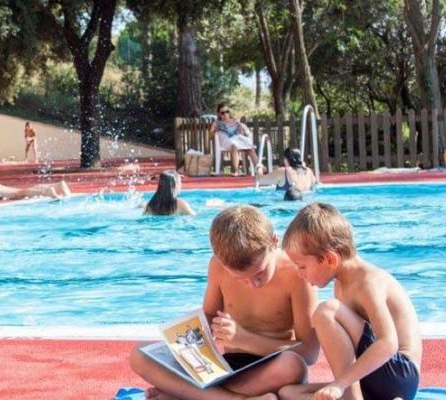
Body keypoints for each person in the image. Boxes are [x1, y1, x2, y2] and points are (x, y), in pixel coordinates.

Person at [129, 205, 319, 400]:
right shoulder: (217, 266)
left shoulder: (297, 274)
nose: (253, 284)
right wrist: (189, 336)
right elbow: (209, 316)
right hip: (226, 369)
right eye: (240, 278)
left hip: (270, 367)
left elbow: (309, 352)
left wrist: (243, 339)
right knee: (140, 354)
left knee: (293, 365)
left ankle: (191, 394)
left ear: (273, 242)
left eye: (259, 273)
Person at [278, 203, 421, 400]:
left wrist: (340, 383)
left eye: (302, 266)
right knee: (289, 393)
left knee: (326, 311)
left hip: (399, 374)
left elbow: (388, 343)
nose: (300, 274)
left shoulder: (368, 282)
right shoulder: (341, 283)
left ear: (329, 259)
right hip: (372, 376)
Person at [209, 103, 258, 176]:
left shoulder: (235, 121)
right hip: (226, 141)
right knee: (234, 145)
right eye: (222, 113)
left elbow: (241, 132)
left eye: (227, 112)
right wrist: (214, 131)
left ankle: (259, 168)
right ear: (219, 114)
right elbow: (210, 136)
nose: (225, 114)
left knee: (250, 148)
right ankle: (236, 171)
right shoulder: (217, 123)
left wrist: (240, 129)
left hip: (237, 139)